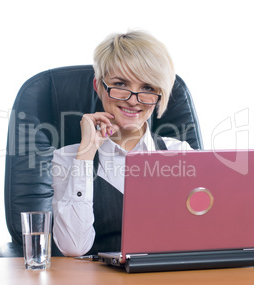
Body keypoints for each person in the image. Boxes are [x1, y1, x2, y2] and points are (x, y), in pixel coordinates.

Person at [52, 30, 191, 257]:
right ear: (98, 86)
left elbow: (197, 236)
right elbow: (73, 247)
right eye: (120, 84)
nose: (133, 100)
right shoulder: (67, 159)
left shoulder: (181, 154)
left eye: (147, 88)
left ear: (159, 95)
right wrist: (86, 154)